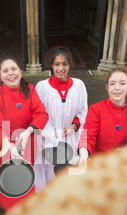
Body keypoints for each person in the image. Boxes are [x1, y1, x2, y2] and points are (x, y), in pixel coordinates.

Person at [0, 57, 49, 211]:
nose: (10, 73)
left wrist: (28, 132)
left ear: (20, 72)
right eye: (5, 71)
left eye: (13, 69)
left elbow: (42, 114)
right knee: (5, 182)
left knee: (23, 180)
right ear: (0, 76)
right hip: (3, 145)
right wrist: (10, 146)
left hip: (26, 142)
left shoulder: (30, 89)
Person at [34, 46, 88, 191]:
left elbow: (83, 111)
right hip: (49, 139)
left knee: (68, 174)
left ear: (69, 65)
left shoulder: (79, 86)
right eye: (57, 64)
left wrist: (75, 125)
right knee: (50, 175)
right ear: (51, 65)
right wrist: (53, 137)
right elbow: (40, 114)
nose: (60, 68)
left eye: (64, 64)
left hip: (71, 136)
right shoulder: (42, 87)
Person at [78, 67, 127, 167]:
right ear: (107, 87)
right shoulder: (95, 109)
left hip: (124, 164)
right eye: (112, 84)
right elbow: (88, 135)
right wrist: (84, 153)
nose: (117, 88)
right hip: (100, 164)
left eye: (122, 83)